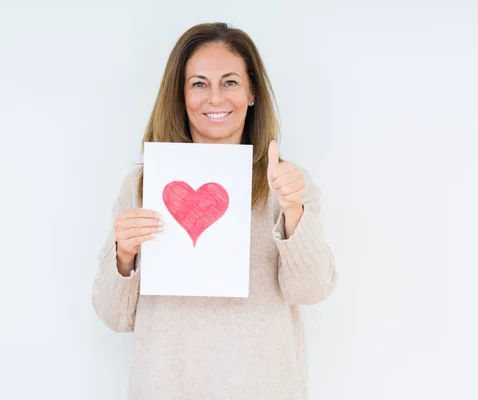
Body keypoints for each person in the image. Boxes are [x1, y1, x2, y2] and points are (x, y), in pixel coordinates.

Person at [91, 22, 337, 399]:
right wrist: (125, 255)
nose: (215, 98)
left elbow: (313, 289)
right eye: (199, 83)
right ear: (181, 94)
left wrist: (293, 212)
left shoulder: (286, 184)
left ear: (252, 92)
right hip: (166, 387)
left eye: (230, 82)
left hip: (264, 386)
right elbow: (114, 316)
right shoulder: (143, 187)